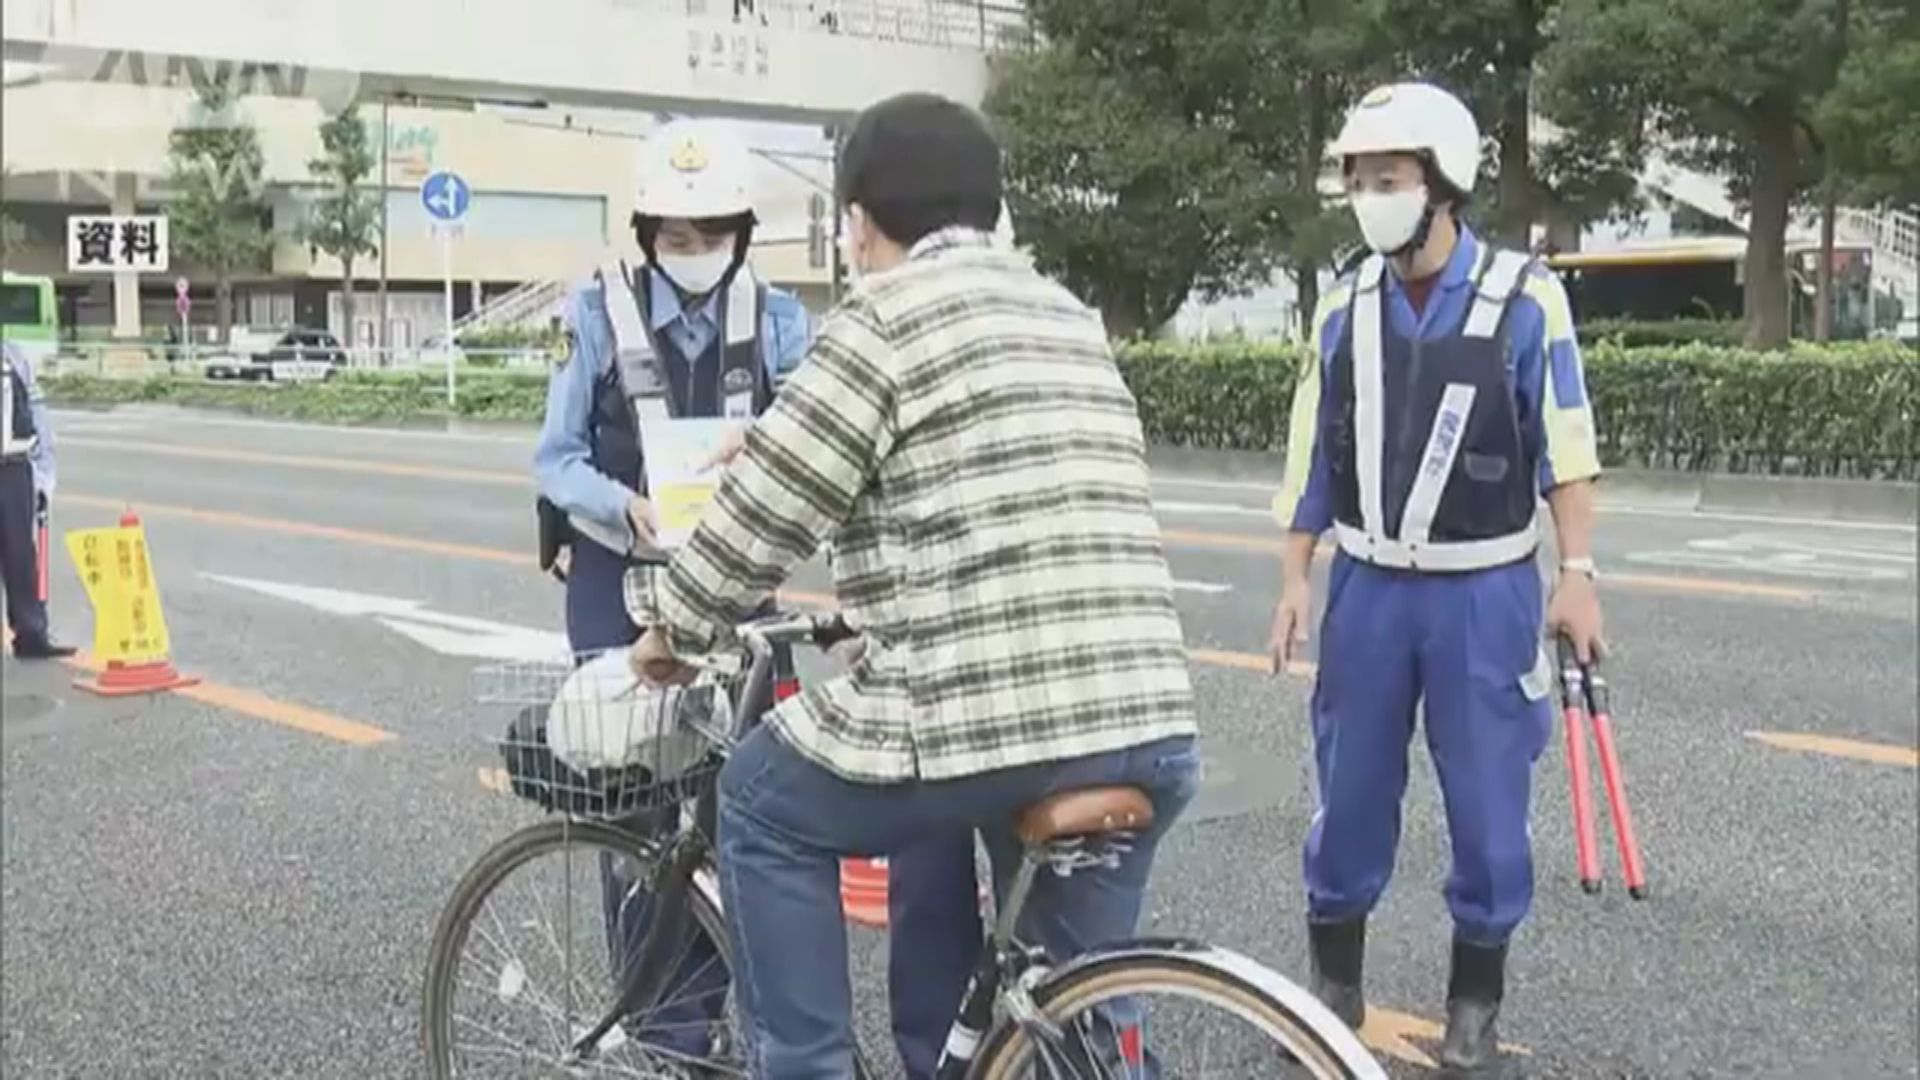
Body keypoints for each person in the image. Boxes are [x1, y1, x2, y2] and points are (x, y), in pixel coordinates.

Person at [630, 92, 1201, 1079]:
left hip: (987, 721)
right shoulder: (1067, 318)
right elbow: (1003, 510)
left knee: (759, 800)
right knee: (1075, 1015)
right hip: (1145, 722)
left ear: (857, 221)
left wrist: (670, 629)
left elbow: (767, 511)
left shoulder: (881, 319)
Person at [1268, 81, 1605, 1078]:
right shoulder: (1343, 303)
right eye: (1360, 180)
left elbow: (1569, 443)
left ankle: (1472, 1015)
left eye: (1391, 178)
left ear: (1443, 184)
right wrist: (1295, 577)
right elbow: (1310, 454)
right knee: (1350, 796)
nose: (1372, 196)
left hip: (1484, 590)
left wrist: (1577, 572)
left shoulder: (1525, 295)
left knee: (1491, 805)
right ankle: (1334, 991)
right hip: (1369, 588)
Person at [530, 116, 810, 1060]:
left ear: (741, 234)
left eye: (713, 236)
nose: (695, 256)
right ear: (647, 235)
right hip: (618, 587)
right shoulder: (594, 313)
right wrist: (622, 507)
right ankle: (666, 1032)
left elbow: (814, 447)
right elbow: (555, 460)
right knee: (637, 823)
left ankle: (717, 1011)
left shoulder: (779, 322)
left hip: (739, 597)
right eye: (677, 238)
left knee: (738, 814)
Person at [1, 341, 75, 660]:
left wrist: (45, 471)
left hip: (14, 465)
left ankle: (31, 633)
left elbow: (37, 413)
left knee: (20, 553)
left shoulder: (13, 356)